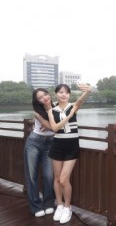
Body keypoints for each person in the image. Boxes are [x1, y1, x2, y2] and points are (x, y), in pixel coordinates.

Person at [45, 83, 92, 224]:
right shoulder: (51, 110)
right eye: (60, 92)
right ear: (56, 94)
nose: (63, 94)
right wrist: (69, 116)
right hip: (57, 146)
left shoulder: (73, 106)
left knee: (64, 179)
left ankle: (67, 207)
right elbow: (54, 128)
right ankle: (59, 204)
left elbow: (81, 100)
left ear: (69, 94)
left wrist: (88, 91)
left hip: (71, 146)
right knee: (57, 178)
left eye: (66, 92)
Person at [24, 88, 56, 217]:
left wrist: (51, 121)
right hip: (34, 143)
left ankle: (49, 203)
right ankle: (35, 206)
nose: (45, 98)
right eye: (41, 97)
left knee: (49, 176)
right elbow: (51, 127)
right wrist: (49, 122)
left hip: (50, 144)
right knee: (32, 176)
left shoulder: (58, 107)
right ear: (37, 101)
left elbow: (61, 123)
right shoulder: (37, 112)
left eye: (46, 94)